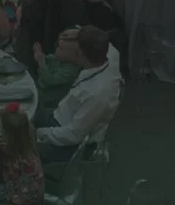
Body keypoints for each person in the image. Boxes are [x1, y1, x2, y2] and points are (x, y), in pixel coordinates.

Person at [35, 26, 121, 159]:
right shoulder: (111, 56)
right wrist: (78, 33)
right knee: (23, 111)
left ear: (80, 54)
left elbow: (74, 135)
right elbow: (105, 42)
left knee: (17, 148)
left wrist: (39, 133)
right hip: (60, 116)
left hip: (68, 141)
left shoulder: (96, 94)